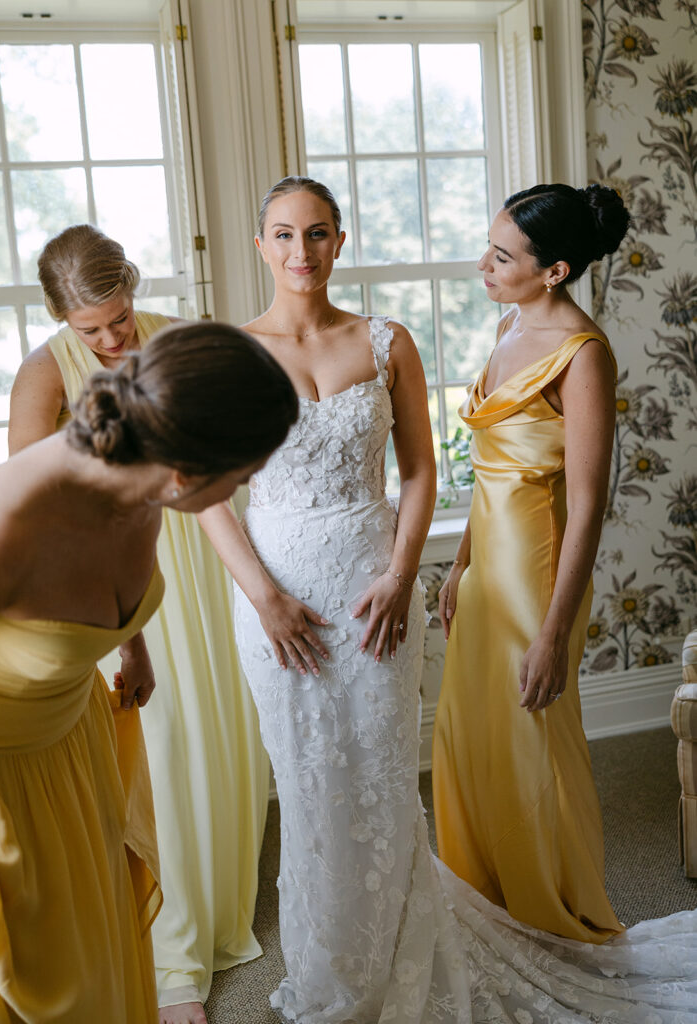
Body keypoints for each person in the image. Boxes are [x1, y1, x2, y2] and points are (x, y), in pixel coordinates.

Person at [199, 176, 697, 1023]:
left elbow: (422, 471)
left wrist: (402, 576)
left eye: (317, 234)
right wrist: (264, 599)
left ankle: (407, 950)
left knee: (386, 781)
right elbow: (209, 490)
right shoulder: (232, 354)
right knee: (311, 784)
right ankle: (328, 969)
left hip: (375, 586)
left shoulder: (386, 340)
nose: (301, 253)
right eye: (282, 235)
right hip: (276, 597)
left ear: (341, 240)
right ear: (258, 246)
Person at [0, 321, 298, 1023]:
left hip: (76, 748)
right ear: (186, 471)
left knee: (103, 960)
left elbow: (117, 583)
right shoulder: (6, 521)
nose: (247, 486)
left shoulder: (140, 478)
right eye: (243, 475)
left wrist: (130, 646)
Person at [432, 182, 632, 943]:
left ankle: (554, 910)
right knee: (470, 732)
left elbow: (587, 505)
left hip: (540, 583)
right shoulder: (510, 327)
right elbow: (491, 476)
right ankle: (490, 903)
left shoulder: (583, 356)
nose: (483, 263)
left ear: (554, 271)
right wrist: (458, 566)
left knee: (530, 742)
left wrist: (553, 635)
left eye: (503, 255)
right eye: (489, 245)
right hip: (487, 572)